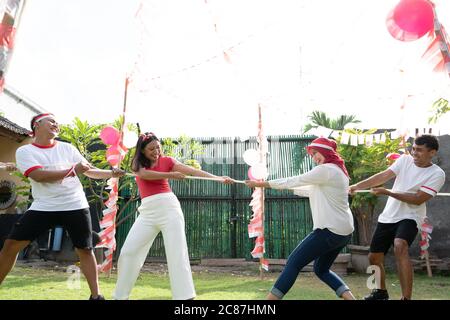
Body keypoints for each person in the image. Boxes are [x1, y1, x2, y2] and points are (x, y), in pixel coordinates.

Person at [0, 113, 125, 300]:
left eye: (56, 122)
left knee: (85, 250)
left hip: (74, 204)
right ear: (37, 125)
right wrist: (74, 170)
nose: (55, 123)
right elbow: (39, 176)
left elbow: (88, 170)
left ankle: (96, 296)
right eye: (50, 120)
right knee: (10, 246)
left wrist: (111, 173)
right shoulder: (25, 151)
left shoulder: (68, 148)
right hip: (43, 206)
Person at [113, 132, 234, 300]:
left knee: (177, 253)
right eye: (151, 149)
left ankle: (185, 297)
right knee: (128, 252)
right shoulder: (137, 163)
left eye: (158, 147)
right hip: (147, 212)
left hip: (169, 208)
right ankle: (119, 296)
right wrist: (170, 175)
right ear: (141, 150)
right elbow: (143, 174)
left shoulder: (167, 161)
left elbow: (192, 171)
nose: (156, 151)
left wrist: (218, 178)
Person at [245, 137, 356, 300]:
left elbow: (296, 180)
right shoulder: (338, 172)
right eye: (312, 155)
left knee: (293, 263)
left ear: (325, 151)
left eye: (315, 153)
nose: (314, 158)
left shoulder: (325, 170)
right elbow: (307, 190)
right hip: (344, 233)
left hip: (329, 231)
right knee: (321, 269)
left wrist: (263, 184)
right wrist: (284, 187)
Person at [350, 134, 445, 300]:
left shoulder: (437, 174)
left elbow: (418, 199)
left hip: (411, 216)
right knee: (374, 257)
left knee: (400, 245)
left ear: (432, 152)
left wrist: (387, 192)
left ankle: (406, 297)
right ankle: (380, 292)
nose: (414, 153)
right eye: (414, 149)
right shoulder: (404, 160)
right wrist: (357, 186)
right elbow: (384, 175)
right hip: (389, 216)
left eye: (420, 151)